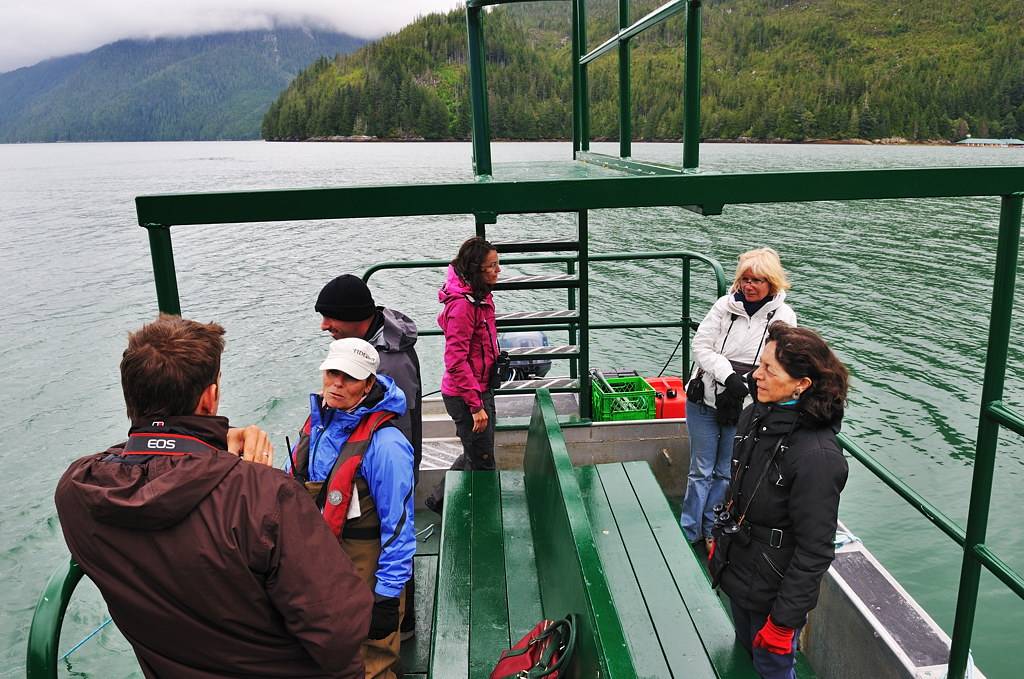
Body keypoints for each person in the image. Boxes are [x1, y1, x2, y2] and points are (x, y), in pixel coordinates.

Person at [54, 315, 372, 679]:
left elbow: (140, 456)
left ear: (131, 396)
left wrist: (208, 439)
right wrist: (213, 439)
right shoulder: (266, 496)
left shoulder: (80, 491)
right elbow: (339, 631)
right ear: (210, 397)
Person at [709, 321, 849, 679]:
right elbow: (737, 486)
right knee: (744, 650)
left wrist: (783, 624)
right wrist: (720, 544)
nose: (757, 375)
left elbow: (815, 550)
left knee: (772, 667)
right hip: (739, 568)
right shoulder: (754, 416)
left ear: (802, 385)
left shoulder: (817, 456)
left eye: (769, 369)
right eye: (760, 364)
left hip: (773, 590)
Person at [286, 337, 416, 679]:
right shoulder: (317, 424)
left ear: (369, 384)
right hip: (322, 550)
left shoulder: (387, 445)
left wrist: (387, 595)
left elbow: (399, 527)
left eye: (350, 377)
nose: (337, 384)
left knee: (372, 657)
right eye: (332, 373)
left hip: (365, 558)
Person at [315, 274, 422, 641]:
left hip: (382, 472)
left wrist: (387, 600)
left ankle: (401, 623)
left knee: (396, 532)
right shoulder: (324, 414)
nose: (324, 325)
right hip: (360, 482)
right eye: (331, 374)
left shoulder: (391, 367)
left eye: (331, 317)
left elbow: (400, 431)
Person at [680, 247, 797, 547]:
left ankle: (712, 528)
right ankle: (689, 529)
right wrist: (727, 375)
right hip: (705, 397)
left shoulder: (783, 317)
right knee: (700, 469)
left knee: (726, 471)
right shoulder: (723, 306)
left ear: (772, 282)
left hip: (745, 404)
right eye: (745, 278)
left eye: (757, 279)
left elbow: (780, 361)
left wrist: (744, 383)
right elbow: (701, 346)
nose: (749, 285)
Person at [424, 236, 501, 514]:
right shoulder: (463, 306)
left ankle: (439, 500)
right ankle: (482, 518)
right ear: (476, 269)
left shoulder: (480, 297)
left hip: (480, 388)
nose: (498, 270)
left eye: (497, 264)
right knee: (482, 462)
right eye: (492, 265)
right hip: (467, 395)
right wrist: (475, 405)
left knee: (477, 452)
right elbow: (455, 361)